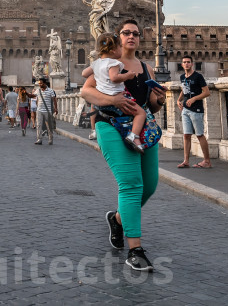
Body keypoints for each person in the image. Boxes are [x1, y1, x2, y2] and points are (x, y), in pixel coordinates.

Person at [79, 18, 166, 272]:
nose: (131, 37)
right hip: (111, 124)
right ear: (118, 38)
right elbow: (86, 91)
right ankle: (135, 251)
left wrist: (159, 100)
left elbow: (152, 106)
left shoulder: (146, 68)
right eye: (126, 33)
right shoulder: (107, 65)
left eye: (136, 34)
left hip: (142, 128)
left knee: (149, 186)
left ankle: (117, 219)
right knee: (131, 185)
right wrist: (113, 100)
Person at [86, 33, 147, 153]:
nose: (131, 37)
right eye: (120, 46)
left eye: (136, 34)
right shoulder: (114, 63)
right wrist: (128, 75)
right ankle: (134, 136)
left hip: (103, 104)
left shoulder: (97, 63)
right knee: (141, 113)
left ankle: (94, 130)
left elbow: (84, 73)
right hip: (117, 98)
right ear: (114, 50)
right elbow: (114, 78)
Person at [176, 56, 212, 168]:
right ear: (182, 65)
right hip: (185, 109)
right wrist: (179, 99)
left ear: (192, 64)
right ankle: (186, 161)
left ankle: (207, 161)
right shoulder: (182, 77)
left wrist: (194, 98)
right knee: (186, 135)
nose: (186, 64)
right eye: (184, 62)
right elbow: (184, 89)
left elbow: (206, 92)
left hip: (196, 109)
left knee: (199, 134)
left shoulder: (198, 76)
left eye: (188, 62)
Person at [33, 78, 57, 145]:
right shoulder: (38, 90)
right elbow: (33, 95)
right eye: (39, 83)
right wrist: (26, 93)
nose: (40, 84)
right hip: (39, 110)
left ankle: (50, 139)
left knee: (49, 126)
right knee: (38, 125)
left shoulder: (51, 91)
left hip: (48, 111)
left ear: (45, 83)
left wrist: (56, 108)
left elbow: (54, 100)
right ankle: (39, 139)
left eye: (41, 83)